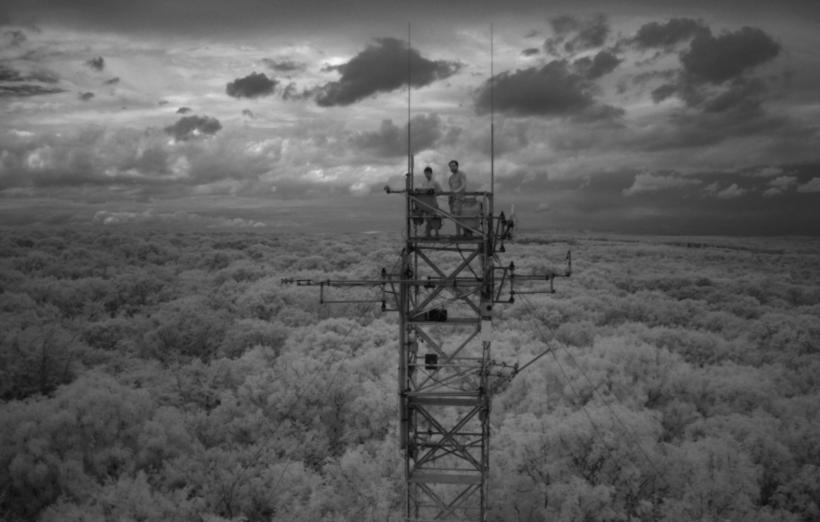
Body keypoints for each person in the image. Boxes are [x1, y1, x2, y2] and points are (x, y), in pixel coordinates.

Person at [417, 166, 443, 237]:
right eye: (425, 173)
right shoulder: (424, 182)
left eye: (428, 173)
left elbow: (441, 191)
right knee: (427, 219)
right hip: (426, 204)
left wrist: (434, 194)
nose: (427, 175)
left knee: (434, 218)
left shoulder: (435, 182)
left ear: (431, 173)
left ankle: (436, 233)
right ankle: (428, 233)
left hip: (433, 203)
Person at [447, 160, 467, 236]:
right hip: (452, 199)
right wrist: (450, 196)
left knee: (460, 216)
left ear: (457, 166)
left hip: (460, 198)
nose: (452, 168)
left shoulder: (461, 174)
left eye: (453, 166)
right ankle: (458, 233)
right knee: (455, 216)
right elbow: (450, 188)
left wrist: (456, 191)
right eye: (450, 166)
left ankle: (465, 233)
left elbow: (463, 185)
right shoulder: (450, 177)